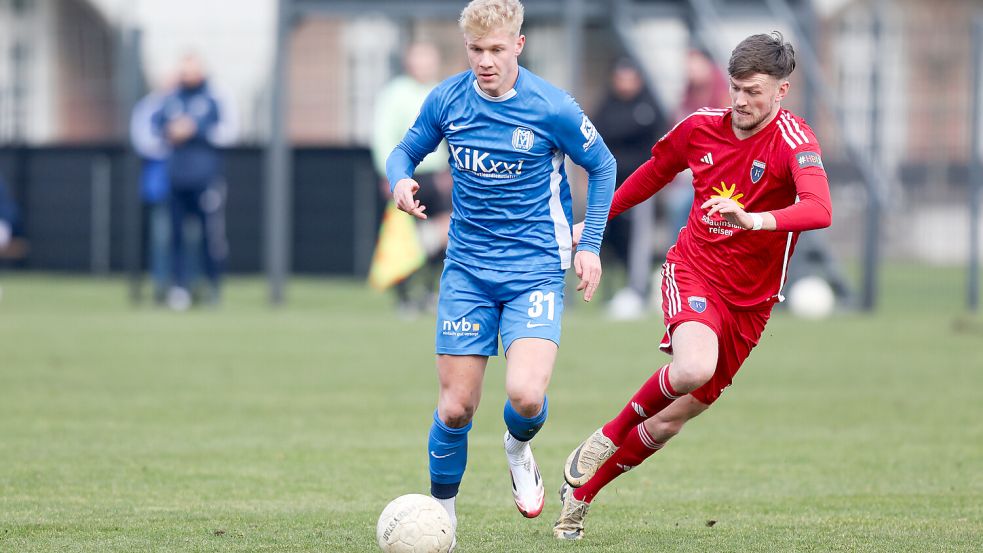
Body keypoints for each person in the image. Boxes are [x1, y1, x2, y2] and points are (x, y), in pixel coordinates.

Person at [553, 32, 832, 540]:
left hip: (753, 303)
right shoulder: (701, 129)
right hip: (694, 269)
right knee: (692, 366)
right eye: (736, 88)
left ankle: (581, 496)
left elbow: (819, 209)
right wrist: (593, 224)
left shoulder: (796, 142)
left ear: (782, 90)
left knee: (668, 422)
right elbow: (654, 173)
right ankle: (604, 437)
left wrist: (754, 220)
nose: (742, 101)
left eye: (755, 91)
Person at [386, 0, 615, 547]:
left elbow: (602, 165)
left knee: (527, 397)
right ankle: (443, 518)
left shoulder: (551, 106)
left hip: (535, 267)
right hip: (467, 270)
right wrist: (399, 181)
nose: (485, 61)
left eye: (495, 49)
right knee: (456, 406)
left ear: (519, 45)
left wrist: (590, 244)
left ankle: (517, 447)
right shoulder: (447, 99)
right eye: (475, 50)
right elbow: (404, 151)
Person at [371, 42, 452, 315]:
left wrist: (448, 170)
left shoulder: (442, 91)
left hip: (434, 176)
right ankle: (404, 297)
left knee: (443, 232)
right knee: (401, 238)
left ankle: (431, 290)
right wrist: (390, 176)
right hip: (406, 175)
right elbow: (384, 136)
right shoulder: (395, 94)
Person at [153, 53, 233, 310]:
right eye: (184, 70)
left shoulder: (213, 99)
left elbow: (228, 132)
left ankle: (213, 286)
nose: (188, 75)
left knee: (210, 237)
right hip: (176, 180)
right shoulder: (170, 99)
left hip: (205, 180)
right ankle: (179, 288)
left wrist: (195, 130)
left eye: (192, 69)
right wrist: (170, 132)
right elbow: (149, 130)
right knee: (175, 236)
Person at [591, 59, 667, 318]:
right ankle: (605, 289)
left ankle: (638, 290)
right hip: (608, 187)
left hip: (642, 189)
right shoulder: (607, 106)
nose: (625, 84)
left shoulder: (650, 106)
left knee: (639, 238)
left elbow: (656, 139)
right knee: (607, 237)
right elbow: (599, 132)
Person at [130, 82, 173, 304]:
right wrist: (171, 139)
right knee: (161, 238)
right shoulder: (149, 107)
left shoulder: (189, 103)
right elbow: (143, 142)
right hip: (161, 187)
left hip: (188, 183)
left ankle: (188, 287)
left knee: (191, 237)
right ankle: (161, 288)